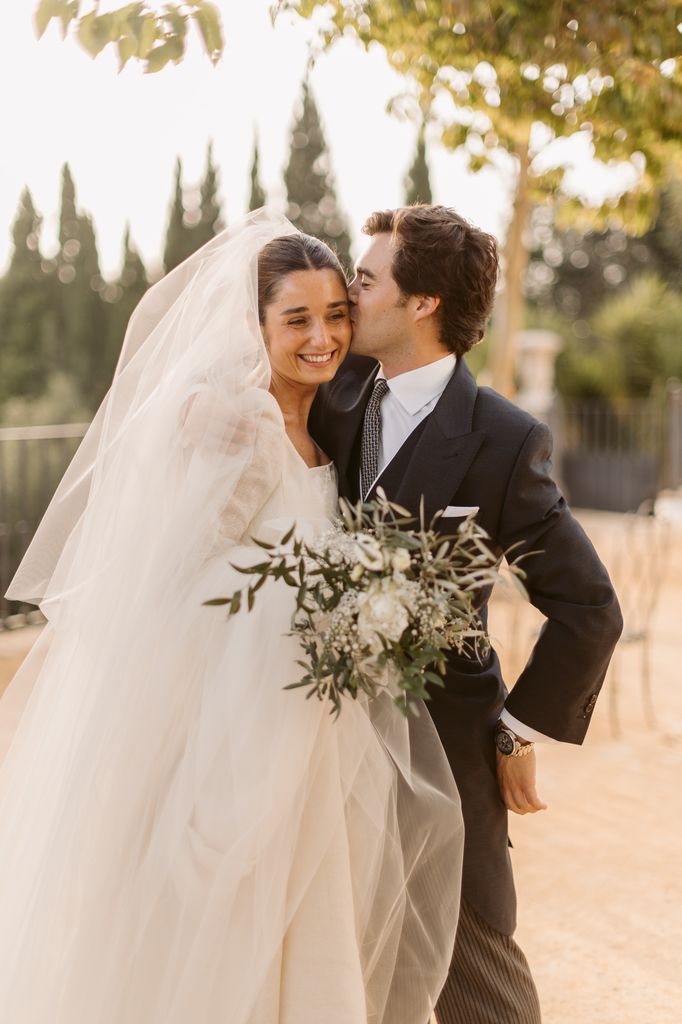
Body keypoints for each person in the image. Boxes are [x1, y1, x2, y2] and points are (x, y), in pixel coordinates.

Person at [0, 210, 464, 1024]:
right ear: (252, 327)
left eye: (335, 315)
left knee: (305, 921)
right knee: (221, 933)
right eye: (296, 320)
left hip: (307, 729)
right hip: (229, 731)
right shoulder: (234, 421)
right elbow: (178, 585)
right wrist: (327, 598)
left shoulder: (325, 416)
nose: (321, 337)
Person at [310, 204, 624, 1024]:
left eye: (368, 278)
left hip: (447, 751)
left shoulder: (503, 439)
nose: (349, 291)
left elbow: (590, 608)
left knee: (480, 987)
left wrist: (515, 732)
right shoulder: (328, 391)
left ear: (422, 304)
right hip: (312, 747)